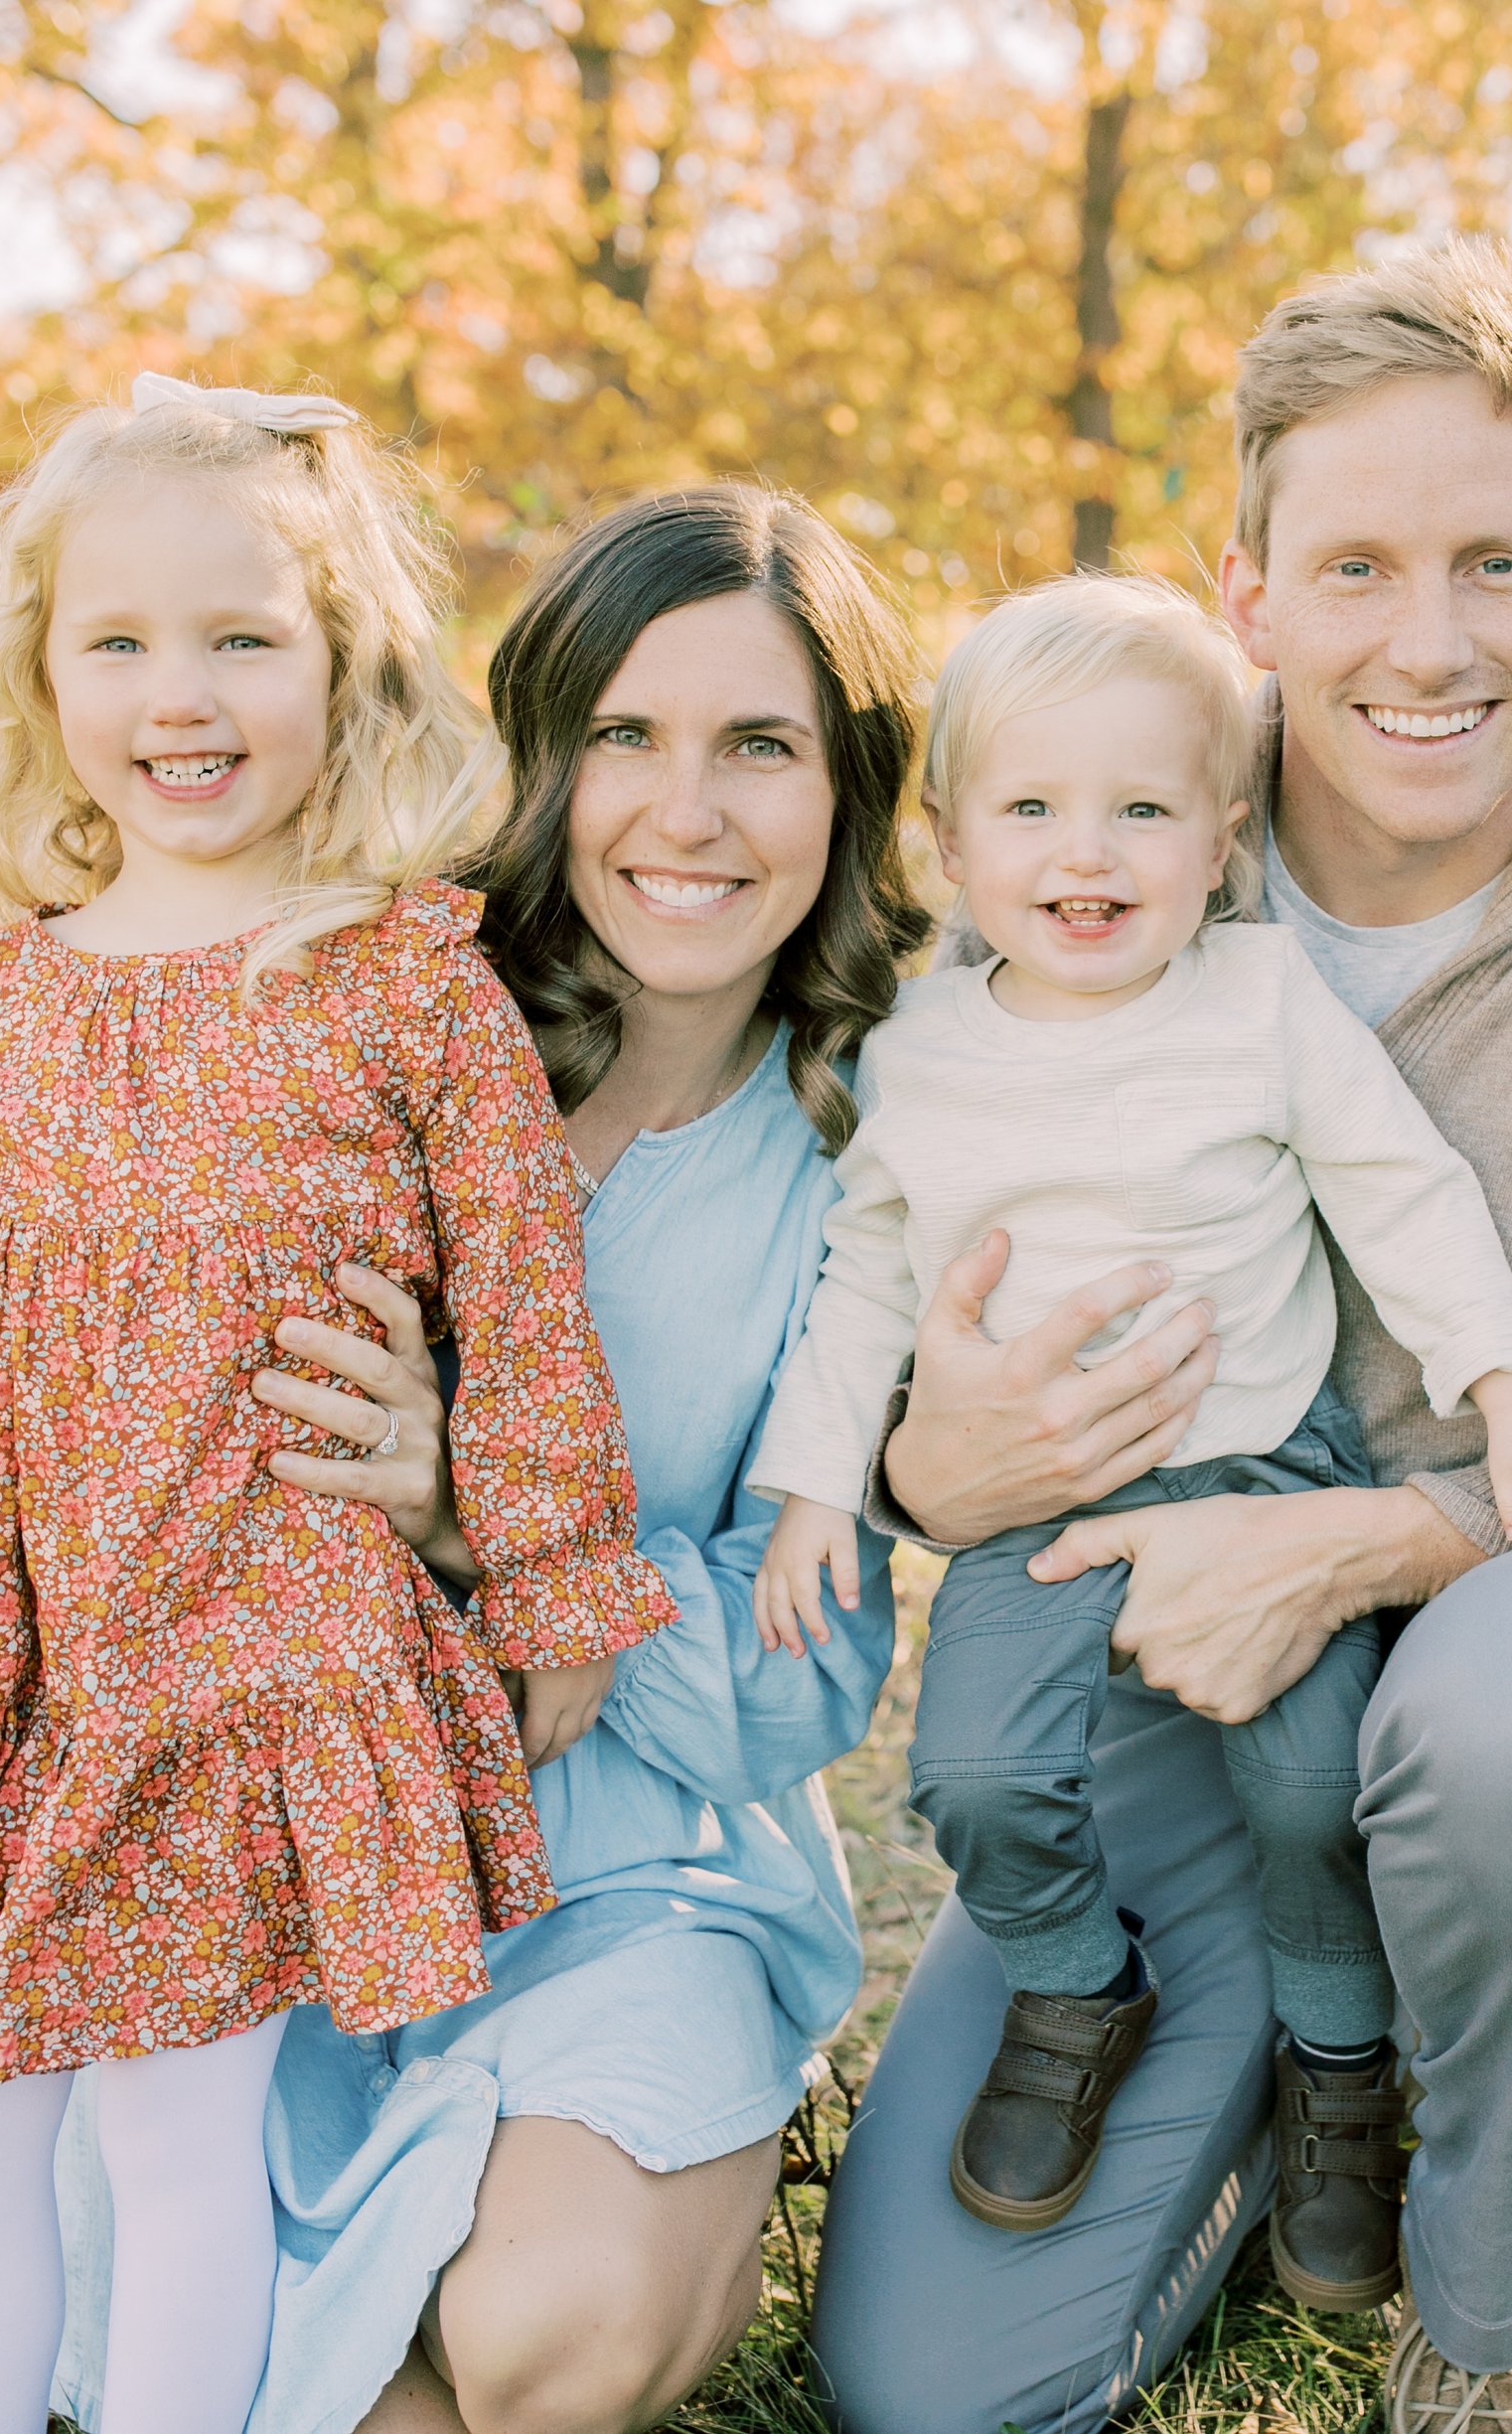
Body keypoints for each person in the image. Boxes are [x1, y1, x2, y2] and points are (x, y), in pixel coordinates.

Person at [811, 241, 1512, 2434]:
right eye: (1354, 568)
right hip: (1184, 1674)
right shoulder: (1115, 870)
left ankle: (1483, 2272)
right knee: (932, 2389)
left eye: (1494, 561)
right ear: (1247, 593)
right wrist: (930, 1474)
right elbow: (879, 1286)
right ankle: (1312, 2056)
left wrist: (1375, 1544)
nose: (1427, 642)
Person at [0, 374, 674, 2434]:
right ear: (40, 677)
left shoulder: (398, 981)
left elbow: (521, 1298)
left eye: (241, 636)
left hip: (232, 1643)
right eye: (115, 639)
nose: (178, 692)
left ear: (340, 666)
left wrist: (555, 1577)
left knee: (178, 2153)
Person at [49, 484, 933, 2434]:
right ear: (542, 758)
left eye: (757, 748)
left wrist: (497, 1511)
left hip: (642, 1883)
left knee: (540, 2329)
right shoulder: (371, 1019)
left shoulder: (876, 1161)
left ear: (848, 792)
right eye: (623, 736)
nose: (681, 813)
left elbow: (801, 1688)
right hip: (286, 1871)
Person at [747, 574, 1512, 2294]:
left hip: (1261, 1470)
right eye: (1033, 809)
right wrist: (807, 1491)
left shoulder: (1257, 1002)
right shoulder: (922, 1052)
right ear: (948, 839)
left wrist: (1503, 1381)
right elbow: (862, 1273)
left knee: (1313, 1792)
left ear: (1222, 834)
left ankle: (1338, 2060)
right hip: (1037, 1504)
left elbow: (1400, 1190)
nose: (1090, 853)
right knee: (975, 1774)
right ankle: (1080, 1983)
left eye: (1142, 808)